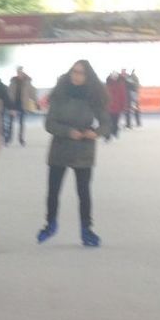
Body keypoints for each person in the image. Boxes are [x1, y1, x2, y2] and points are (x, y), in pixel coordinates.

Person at [38, 59, 109, 248]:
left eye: (80, 73)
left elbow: (106, 123)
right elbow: (49, 123)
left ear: (88, 76)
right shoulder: (60, 94)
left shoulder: (94, 96)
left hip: (83, 150)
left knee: (83, 192)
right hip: (60, 148)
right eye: (74, 72)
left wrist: (95, 133)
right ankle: (50, 224)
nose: (76, 76)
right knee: (53, 191)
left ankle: (87, 229)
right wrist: (69, 132)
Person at [8, 66, 34, 145]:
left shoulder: (27, 81)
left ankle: (21, 139)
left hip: (22, 104)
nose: (19, 73)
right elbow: (9, 92)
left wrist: (37, 101)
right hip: (13, 105)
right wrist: (8, 103)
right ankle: (9, 138)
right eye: (18, 71)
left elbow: (31, 92)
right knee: (10, 123)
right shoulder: (13, 81)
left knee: (21, 123)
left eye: (21, 71)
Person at [105, 71, 127, 140]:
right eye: (113, 76)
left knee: (115, 121)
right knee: (108, 121)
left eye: (115, 76)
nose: (114, 78)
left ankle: (114, 133)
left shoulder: (120, 85)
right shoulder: (108, 84)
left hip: (116, 107)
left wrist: (123, 106)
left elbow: (123, 96)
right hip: (109, 107)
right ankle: (108, 135)